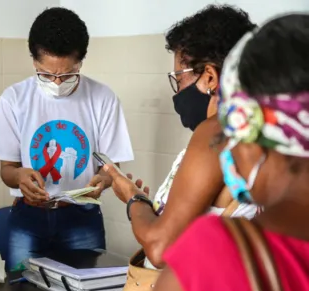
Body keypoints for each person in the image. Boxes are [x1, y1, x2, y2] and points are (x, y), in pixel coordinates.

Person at [150, 13, 309, 291]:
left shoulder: (217, 252)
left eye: (229, 130)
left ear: (251, 129)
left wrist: (134, 200)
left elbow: (160, 248)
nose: (228, 149)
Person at [104, 4, 258, 268]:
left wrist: (133, 198)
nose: (177, 92)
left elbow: (161, 249)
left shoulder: (218, 131)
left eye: (179, 79)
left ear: (210, 77)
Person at [0, 7, 134, 269]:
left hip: (81, 215)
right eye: (45, 74)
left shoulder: (102, 98)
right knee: (22, 290)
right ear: (33, 60)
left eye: (67, 74)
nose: (56, 82)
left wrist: (104, 179)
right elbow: (7, 170)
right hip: (27, 216)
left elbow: (112, 168)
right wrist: (20, 176)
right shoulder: (14, 99)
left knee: (86, 289)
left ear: (81, 62)